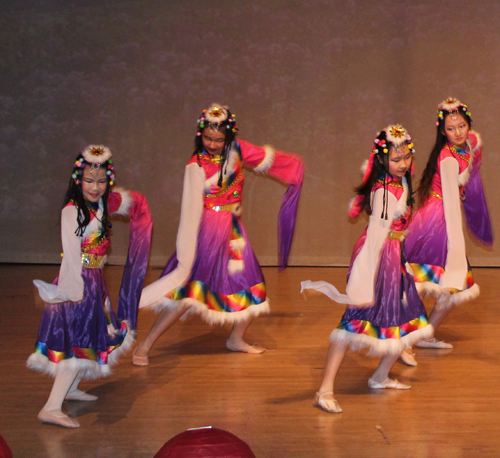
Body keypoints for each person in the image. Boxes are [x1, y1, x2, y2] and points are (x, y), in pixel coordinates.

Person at [133, 103, 304, 366]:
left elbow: (269, 160)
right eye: (208, 138)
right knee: (188, 291)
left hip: (233, 231)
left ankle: (235, 339)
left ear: (229, 137)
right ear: (200, 134)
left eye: (219, 139)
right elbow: (190, 208)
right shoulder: (196, 165)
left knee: (253, 287)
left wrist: (295, 167)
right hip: (209, 230)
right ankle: (144, 346)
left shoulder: (237, 150)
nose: (212, 144)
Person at [301, 125, 433, 413]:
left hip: (394, 255)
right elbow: (375, 236)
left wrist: (403, 262)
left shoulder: (400, 183)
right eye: (396, 159)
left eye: (407, 157)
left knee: (406, 318)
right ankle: (324, 390)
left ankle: (380, 376)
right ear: (383, 160)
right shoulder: (385, 191)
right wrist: (364, 276)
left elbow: (397, 231)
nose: (403, 164)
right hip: (378, 259)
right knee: (353, 320)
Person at [27, 145, 152, 428]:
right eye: (88, 180)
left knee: (89, 336)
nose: (95, 187)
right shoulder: (72, 211)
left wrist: (139, 207)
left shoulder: (100, 205)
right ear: (77, 180)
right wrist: (74, 292)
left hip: (94, 282)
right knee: (78, 343)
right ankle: (51, 406)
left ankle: (70, 390)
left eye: (101, 181)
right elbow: (71, 255)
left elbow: (130, 204)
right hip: (79, 284)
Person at [401, 98, 492, 363]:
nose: (458, 132)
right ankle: (404, 340)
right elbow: (451, 201)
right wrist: (456, 240)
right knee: (420, 283)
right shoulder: (448, 157)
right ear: (443, 132)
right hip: (437, 222)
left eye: (461, 126)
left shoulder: (464, 148)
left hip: (442, 216)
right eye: (451, 129)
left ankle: (423, 335)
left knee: (456, 286)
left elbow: (473, 144)